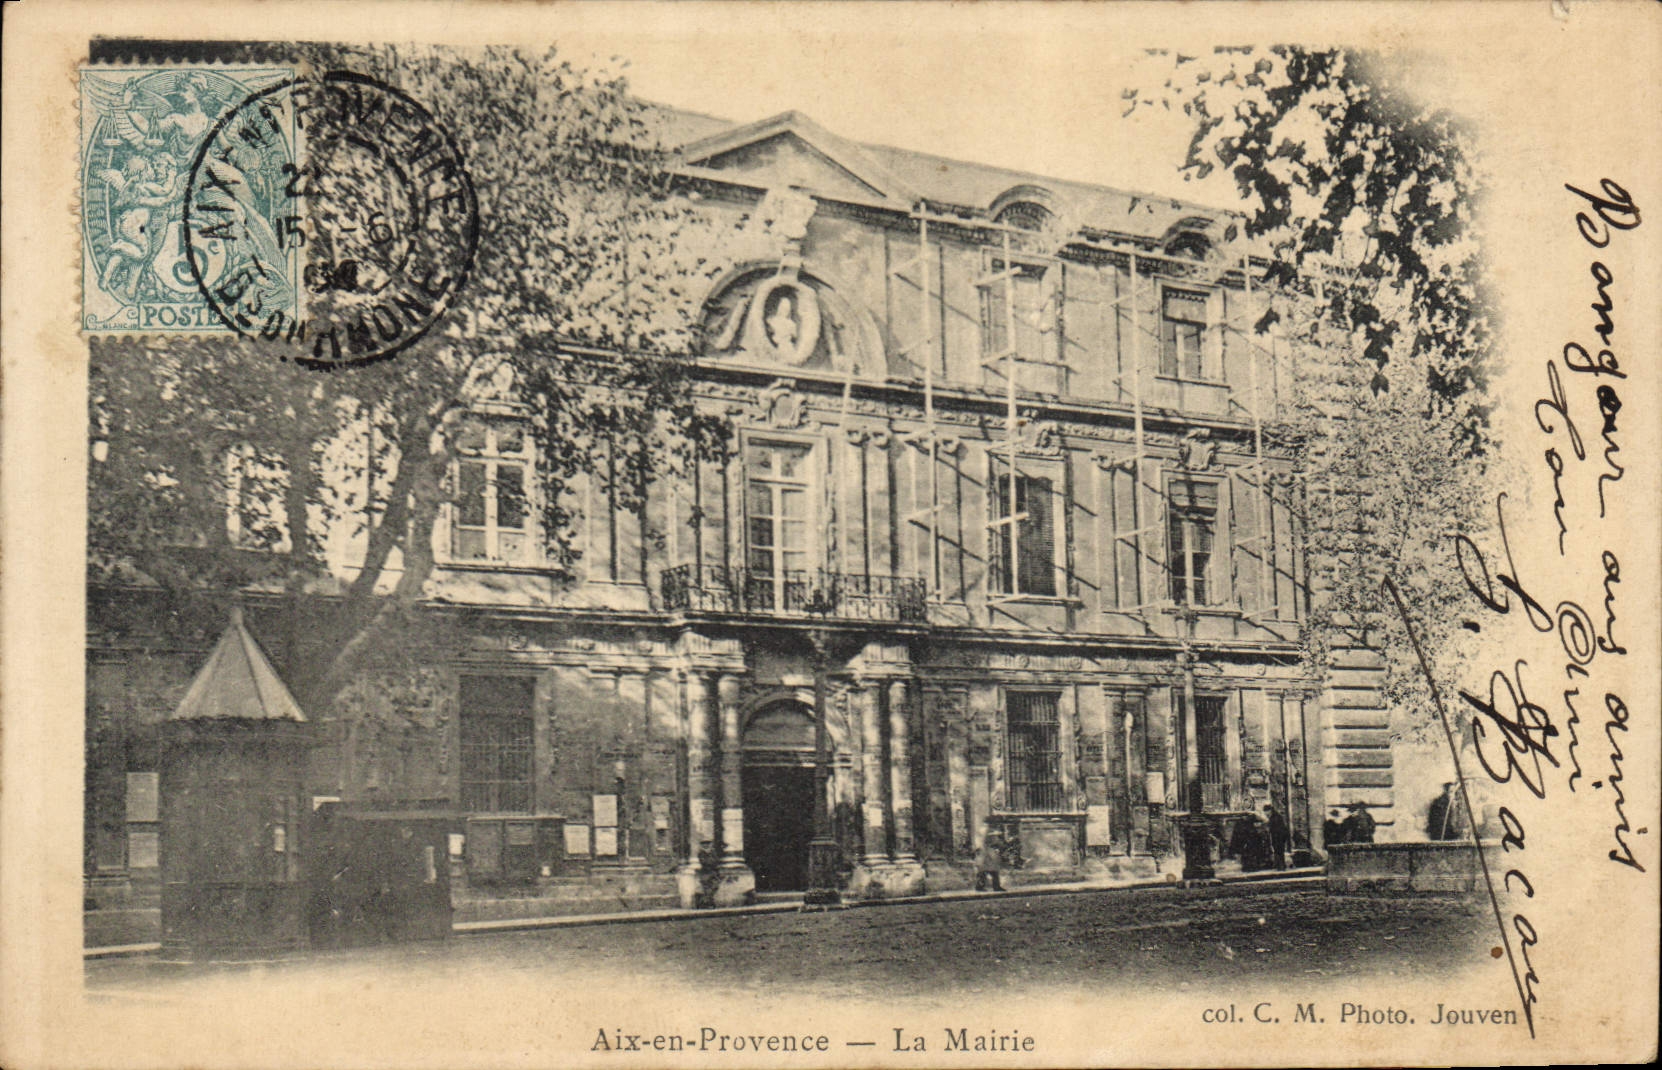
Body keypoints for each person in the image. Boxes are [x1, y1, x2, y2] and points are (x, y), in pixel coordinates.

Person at [975, 827, 1005, 892]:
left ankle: (993, 886)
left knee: (990, 872)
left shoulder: (985, 832)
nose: (995, 838)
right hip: (986, 858)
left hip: (986, 858)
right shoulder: (986, 834)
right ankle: (981, 887)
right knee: (987, 872)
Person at [1265, 803, 1291, 870]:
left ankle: (1281, 866)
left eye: (1267, 812)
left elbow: (1276, 828)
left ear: (1270, 810)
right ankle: (1279, 865)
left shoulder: (1275, 817)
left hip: (1279, 837)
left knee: (1279, 851)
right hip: (1278, 837)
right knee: (1278, 851)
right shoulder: (1275, 816)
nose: (1266, 814)